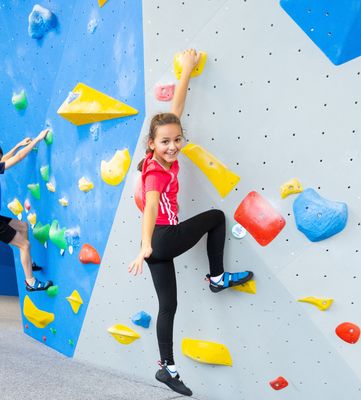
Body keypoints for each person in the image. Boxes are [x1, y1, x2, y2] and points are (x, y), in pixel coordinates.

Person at [128, 49, 254, 396]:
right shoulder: (155, 171)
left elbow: (176, 110)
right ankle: (217, 276)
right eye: (165, 142)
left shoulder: (164, 151)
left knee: (168, 306)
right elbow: (151, 207)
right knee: (216, 217)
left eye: (176, 139)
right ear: (151, 144)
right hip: (162, 239)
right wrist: (145, 245)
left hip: (158, 247)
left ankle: (166, 368)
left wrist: (186, 70)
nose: (173, 146)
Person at [0, 129, 52, 292]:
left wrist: (17, 145)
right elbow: (18, 158)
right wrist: (37, 139)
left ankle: (28, 264)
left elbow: (5, 159)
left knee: (23, 226)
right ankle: (31, 282)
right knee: (25, 245)